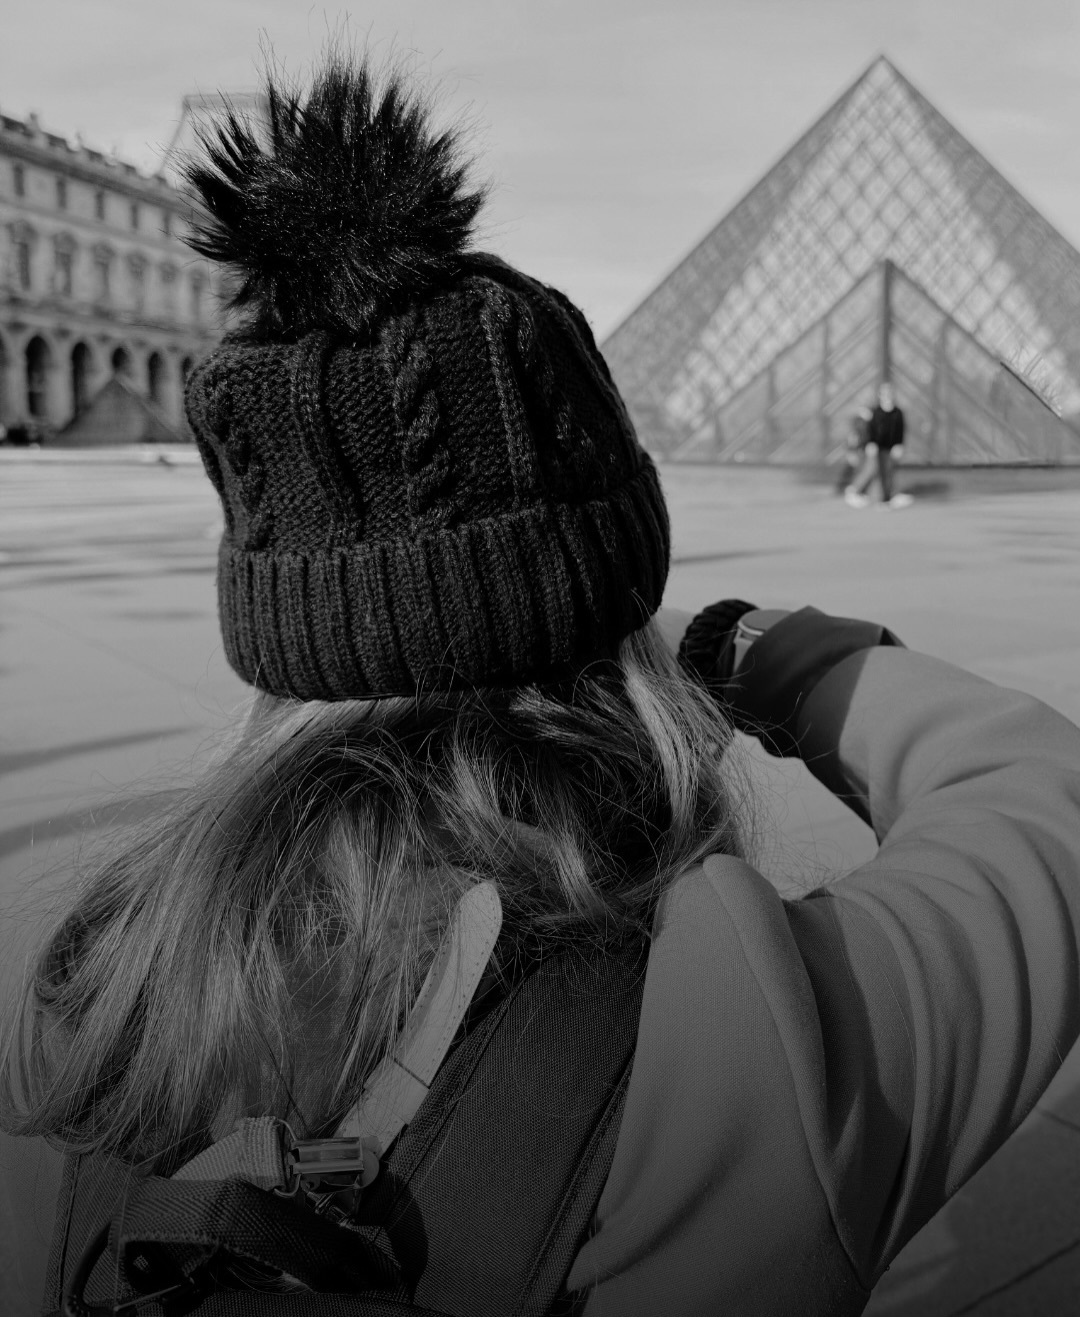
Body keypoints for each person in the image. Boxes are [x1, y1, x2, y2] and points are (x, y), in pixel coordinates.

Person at [5, 54, 1080, 1317]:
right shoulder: (760, 1039)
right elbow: (1043, 797)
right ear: (613, 613)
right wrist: (759, 649)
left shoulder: (92, 1010)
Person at [844, 380, 912, 508]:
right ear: (880, 395)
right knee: (872, 468)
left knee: (888, 470)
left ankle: (888, 497)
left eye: (889, 392)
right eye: (884, 392)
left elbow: (900, 430)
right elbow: (872, 430)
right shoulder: (876, 412)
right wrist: (871, 443)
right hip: (875, 447)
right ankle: (854, 491)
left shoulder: (898, 412)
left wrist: (899, 445)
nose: (887, 395)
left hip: (890, 448)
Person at [836, 403, 872, 493]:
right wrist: (851, 452)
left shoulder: (867, 423)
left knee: (860, 470)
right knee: (857, 470)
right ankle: (850, 489)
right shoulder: (859, 423)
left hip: (863, 451)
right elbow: (853, 439)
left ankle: (854, 489)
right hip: (859, 451)